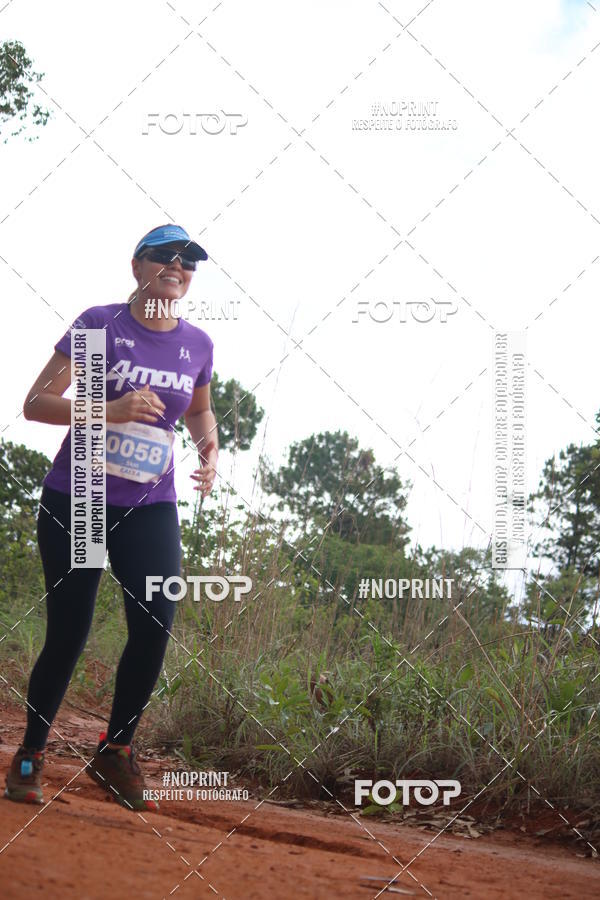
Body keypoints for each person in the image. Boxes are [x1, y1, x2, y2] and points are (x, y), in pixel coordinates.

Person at [4, 224, 219, 812]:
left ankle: (115, 750)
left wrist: (210, 450)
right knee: (70, 631)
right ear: (137, 266)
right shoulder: (101, 326)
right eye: (164, 257)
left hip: (152, 504)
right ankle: (30, 754)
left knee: (156, 620)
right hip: (83, 499)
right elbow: (37, 403)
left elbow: (199, 410)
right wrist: (111, 406)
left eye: (189, 261)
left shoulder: (196, 343)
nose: (178, 266)